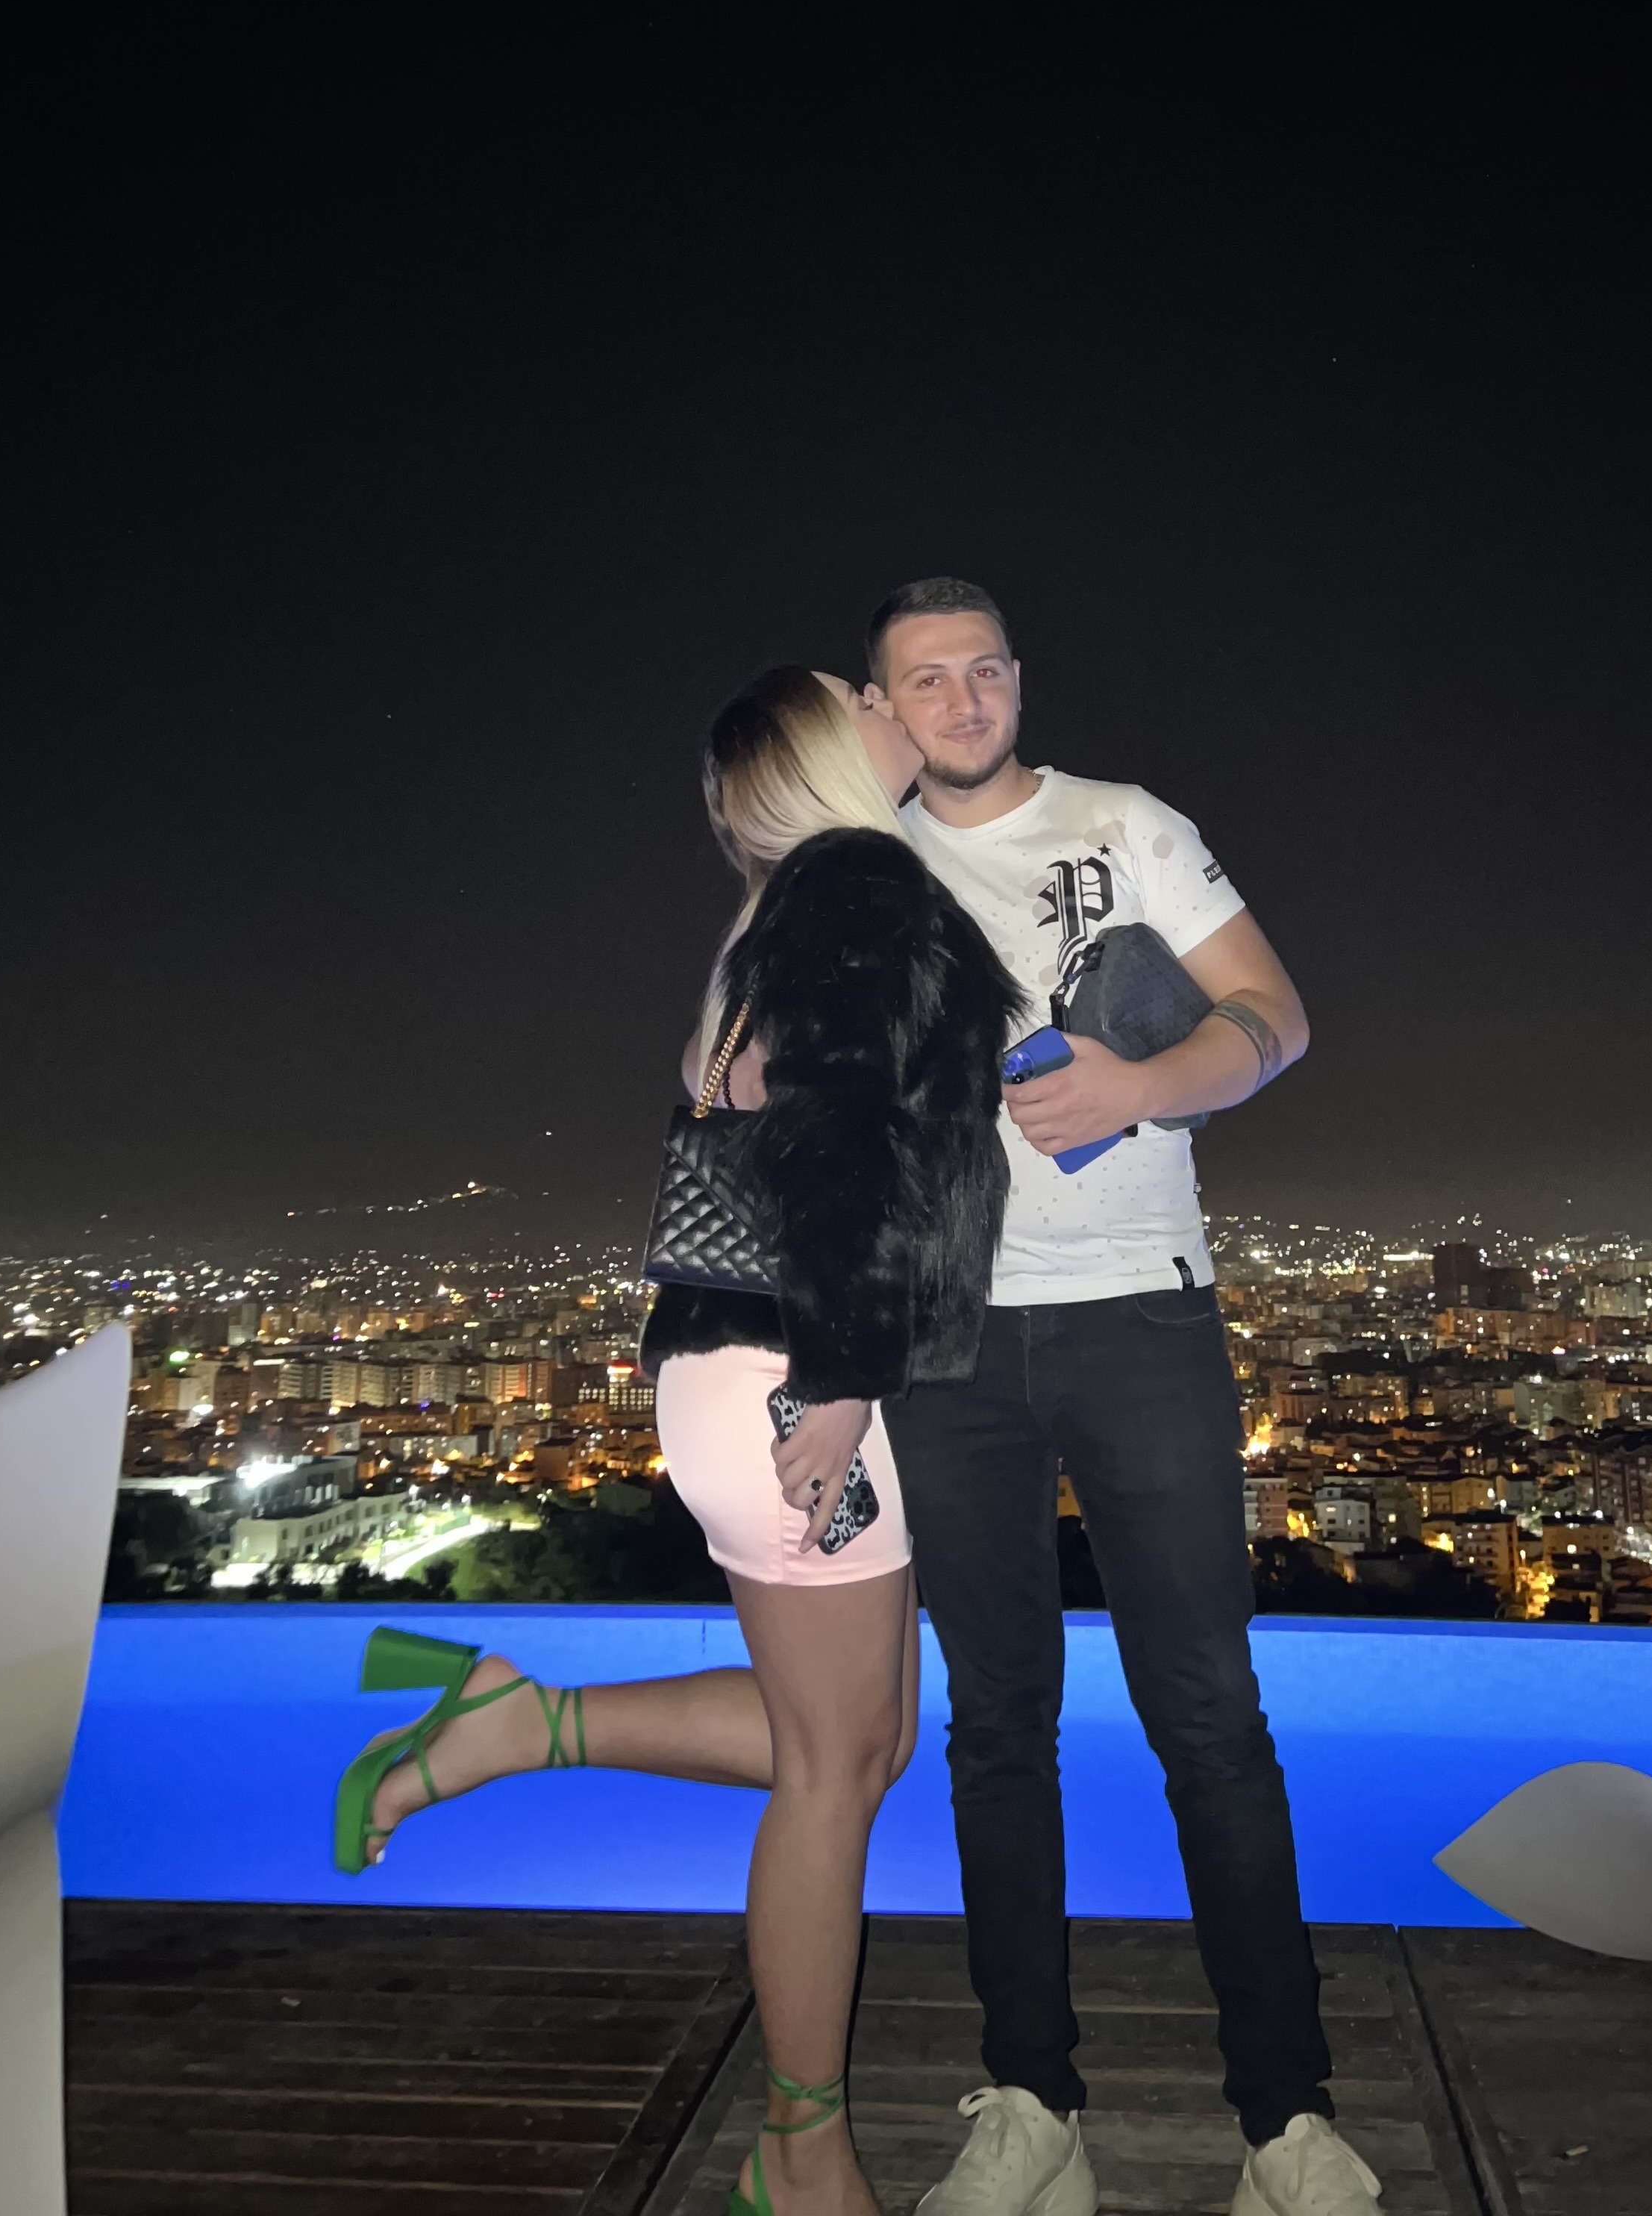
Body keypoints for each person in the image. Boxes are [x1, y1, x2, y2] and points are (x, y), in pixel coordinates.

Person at [332, 662, 1022, 2216]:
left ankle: (516, 1725)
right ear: (820, 746)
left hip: (743, 1370)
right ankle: (800, 2151)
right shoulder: (854, 886)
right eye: (860, 691)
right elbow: (841, 1135)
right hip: (796, 1375)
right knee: (836, 1773)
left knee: (854, 1745)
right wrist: (844, 1377)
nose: (888, 697)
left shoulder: (779, 915)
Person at [862, 580, 1382, 2216]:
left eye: (983, 671)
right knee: (996, 1720)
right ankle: (1032, 2104)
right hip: (949, 1338)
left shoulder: (1132, 824)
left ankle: (1284, 2120)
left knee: (1210, 1713)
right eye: (924, 681)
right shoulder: (859, 868)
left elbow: (1276, 1018)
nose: (961, 702)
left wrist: (1142, 1086)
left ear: (1020, 681)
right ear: (883, 708)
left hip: (1141, 1313)